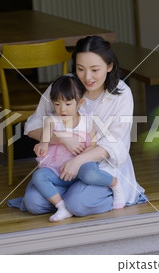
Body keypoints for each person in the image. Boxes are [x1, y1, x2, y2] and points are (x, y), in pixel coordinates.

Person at [8, 35, 146, 217]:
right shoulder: (63, 86)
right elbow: (32, 127)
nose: (87, 77)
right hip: (59, 167)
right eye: (80, 69)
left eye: (95, 70)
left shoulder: (122, 95)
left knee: (78, 204)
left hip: (98, 168)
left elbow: (115, 144)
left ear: (110, 66)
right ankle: (69, 199)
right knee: (33, 204)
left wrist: (78, 161)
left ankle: (76, 199)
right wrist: (62, 139)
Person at [30, 75, 125, 222]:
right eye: (57, 104)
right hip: (57, 170)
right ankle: (61, 207)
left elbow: (92, 145)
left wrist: (78, 161)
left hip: (80, 167)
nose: (62, 109)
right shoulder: (51, 121)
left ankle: (114, 183)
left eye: (68, 104)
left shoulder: (87, 121)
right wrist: (42, 146)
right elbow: (44, 140)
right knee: (38, 177)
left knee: (90, 174)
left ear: (80, 103)